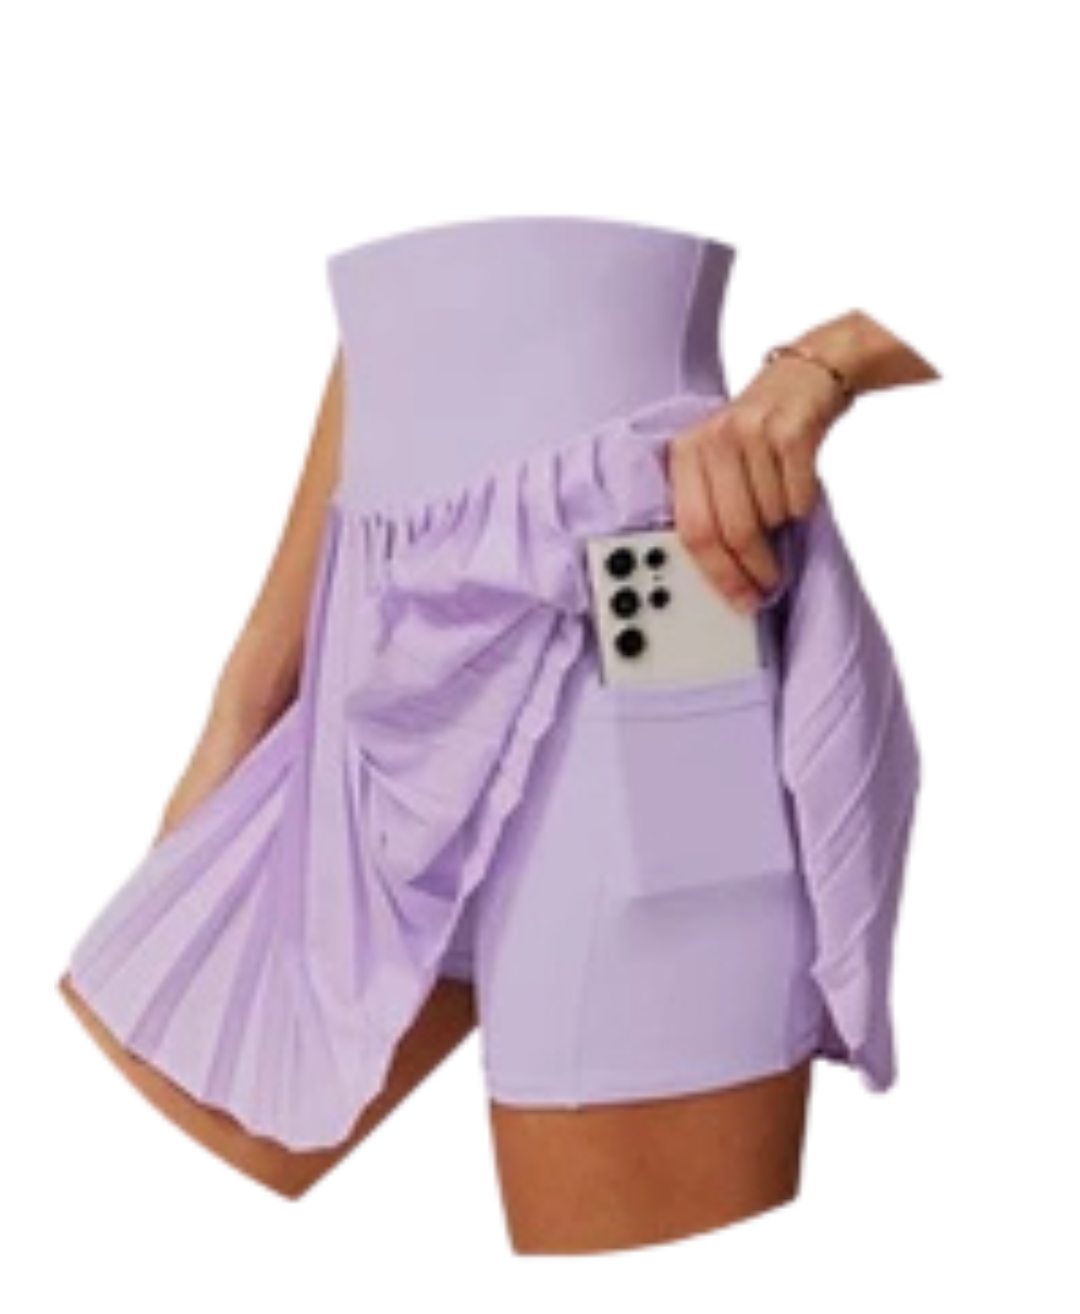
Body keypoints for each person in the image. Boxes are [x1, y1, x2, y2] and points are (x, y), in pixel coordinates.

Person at [59, 217, 938, 1253]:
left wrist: (829, 360)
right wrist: (250, 694)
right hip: (384, 666)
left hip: (638, 616)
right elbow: (389, 319)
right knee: (106, 1138)